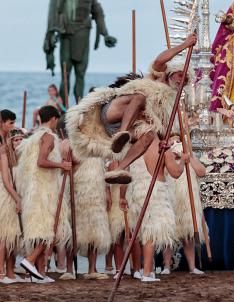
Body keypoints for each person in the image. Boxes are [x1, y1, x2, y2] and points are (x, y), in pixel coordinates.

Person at [66, 33, 196, 185]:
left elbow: (161, 128)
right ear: (170, 73)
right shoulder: (157, 76)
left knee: (149, 135)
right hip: (115, 113)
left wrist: (163, 142)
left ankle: (119, 169)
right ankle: (122, 133)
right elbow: (160, 60)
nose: (182, 80)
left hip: (127, 130)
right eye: (180, 75)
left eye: (185, 80)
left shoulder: (170, 104)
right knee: (140, 98)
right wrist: (185, 45)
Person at [43, 0, 117, 103]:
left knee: (80, 73)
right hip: (67, 35)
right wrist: (50, 34)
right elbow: (53, 11)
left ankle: (78, 105)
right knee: (66, 73)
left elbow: (97, 12)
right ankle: (64, 107)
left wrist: (105, 34)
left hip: (84, 34)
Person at [16, 106, 71, 282]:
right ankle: (30, 259)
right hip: (45, 190)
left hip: (35, 189)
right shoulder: (48, 137)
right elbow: (41, 161)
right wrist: (61, 165)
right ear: (54, 119)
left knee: (43, 230)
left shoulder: (34, 137)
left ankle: (40, 273)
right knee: (51, 229)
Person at [123, 134, 188, 282]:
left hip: (137, 192)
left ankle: (148, 270)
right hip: (155, 191)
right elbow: (176, 173)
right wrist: (183, 161)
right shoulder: (163, 147)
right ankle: (146, 272)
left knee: (144, 231)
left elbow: (125, 173)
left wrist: (122, 196)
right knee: (151, 233)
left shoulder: (135, 147)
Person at [59, 133, 111, 281]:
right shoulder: (69, 143)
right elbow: (64, 168)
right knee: (73, 232)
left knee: (95, 233)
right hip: (78, 193)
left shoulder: (98, 145)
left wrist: (107, 191)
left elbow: (103, 170)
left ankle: (92, 269)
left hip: (96, 194)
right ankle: (69, 269)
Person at [162, 136, 206, 276]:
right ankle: (166, 267)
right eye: (172, 142)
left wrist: (188, 158)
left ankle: (192, 267)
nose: (175, 144)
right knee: (168, 236)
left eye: (178, 141)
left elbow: (201, 172)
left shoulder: (190, 158)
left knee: (188, 235)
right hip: (171, 199)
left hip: (187, 202)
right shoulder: (165, 159)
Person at [0, 129, 26, 283]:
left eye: (21, 139)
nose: (19, 142)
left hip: (19, 197)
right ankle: (1, 272)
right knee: (4, 236)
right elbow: (6, 181)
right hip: (6, 196)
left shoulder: (23, 157)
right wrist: (17, 199)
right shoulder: (4, 154)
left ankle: (11, 272)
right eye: (16, 140)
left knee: (14, 236)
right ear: (10, 141)